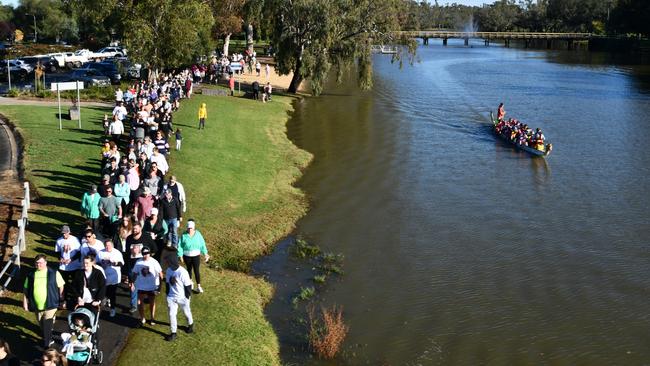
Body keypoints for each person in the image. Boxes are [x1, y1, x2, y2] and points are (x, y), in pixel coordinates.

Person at [23, 254, 64, 348]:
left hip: (51, 304)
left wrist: (61, 298)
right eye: (37, 263)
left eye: (41, 263)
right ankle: (48, 336)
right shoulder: (31, 275)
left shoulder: (53, 273)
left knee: (47, 324)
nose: (39, 265)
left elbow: (61, 286)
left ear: (45, 263)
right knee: (41, 324)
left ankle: (47, 344)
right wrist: (25, 302)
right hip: (36, 305)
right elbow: (25, 290)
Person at [164, 254, 193, 342]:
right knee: (172, 314)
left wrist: (187, 298)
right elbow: (167, 283)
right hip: (172, 297)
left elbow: (188, 286)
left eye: (168, 262)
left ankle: (190, 325)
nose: (167, 264)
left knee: (186, 312)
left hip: (182, 297)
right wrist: (168, 294)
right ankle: (173, 333)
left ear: (173, 263)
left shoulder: (182, 272)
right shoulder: (169, 270)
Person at [131, 247, 163, 325]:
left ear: (150, 253)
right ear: (142, 254)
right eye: (144, 254)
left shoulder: (154, 262)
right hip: (141, 286)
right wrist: (132, 282)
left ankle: (152, 318)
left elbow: (160, 274)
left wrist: (159, 287)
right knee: (139, 302)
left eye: (147, 253)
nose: (146, 255)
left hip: (152, 286)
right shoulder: (138, 262)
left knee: (152, 302)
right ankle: (142, 318)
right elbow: (134, 273)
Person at [177, 220, 209, 293]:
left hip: (196, 255)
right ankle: (190, 282)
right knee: (189, 269)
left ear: (194, 228)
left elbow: (202, 244)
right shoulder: (183, 235)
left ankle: (198, 286)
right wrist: (180, 255)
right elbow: (180, 246)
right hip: (187, 255)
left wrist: (205, 253)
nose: (189, 230)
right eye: (188, 228)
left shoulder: (198, 234)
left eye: (191, 228)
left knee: (196, 270)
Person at [55, 225, 81, 310]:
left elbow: (79, 253)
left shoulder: (75, 240)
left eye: (65, 233)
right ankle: (64, 301)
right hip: (63, 267)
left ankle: (77, 300)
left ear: (69, 232)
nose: (64, 235)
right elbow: (57, 252)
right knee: (63, 284)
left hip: (74, 266)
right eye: (63, 233)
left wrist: (71, 259)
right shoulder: (59, 241)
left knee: (75, 284)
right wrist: (61, 258)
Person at [98, 240, 124, 317]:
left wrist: (115, 263)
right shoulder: (100, 253)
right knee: (105, 293)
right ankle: (107, 299)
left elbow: (122, 263)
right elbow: (96, 262)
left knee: (112, 293)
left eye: (109, 245)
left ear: (112, 246)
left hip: (114, 277)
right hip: (104, 276)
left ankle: (113, 309)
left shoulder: (117, 253)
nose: (107, 247)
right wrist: (102, 263)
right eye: (106, 245)